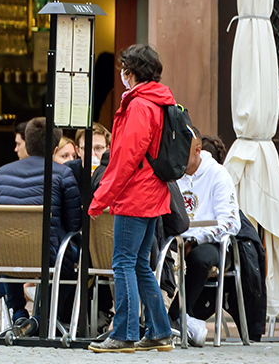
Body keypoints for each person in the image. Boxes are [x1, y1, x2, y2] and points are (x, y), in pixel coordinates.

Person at [88, 45, 175, 353]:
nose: (122, 76)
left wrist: (100, 198)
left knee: (124, 262)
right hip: (153, 193)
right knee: (139, 265)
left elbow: (125, 157)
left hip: (135, 194)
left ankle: (124, 333)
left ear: (132, 72)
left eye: (124, 70)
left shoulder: (139, 105)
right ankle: (160, 331)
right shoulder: (159, 101)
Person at [0, 117, 81, 336]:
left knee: (9, 243)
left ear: (26, 144)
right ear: (55, 148)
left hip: (4, 256)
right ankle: (41, 318)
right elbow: (75, 223)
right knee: (71, 260)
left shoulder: (1, 173)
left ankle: (19, 312)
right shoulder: (63, 174)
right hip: (47, 254)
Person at [171, 128, 241, 347]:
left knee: (199, 258)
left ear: (197, 151)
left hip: (213, 243)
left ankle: (179, 316)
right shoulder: (173, 174)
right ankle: (181, 320)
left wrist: (196, 239)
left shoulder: (218, 174)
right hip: (177, 239)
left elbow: (230, 222)